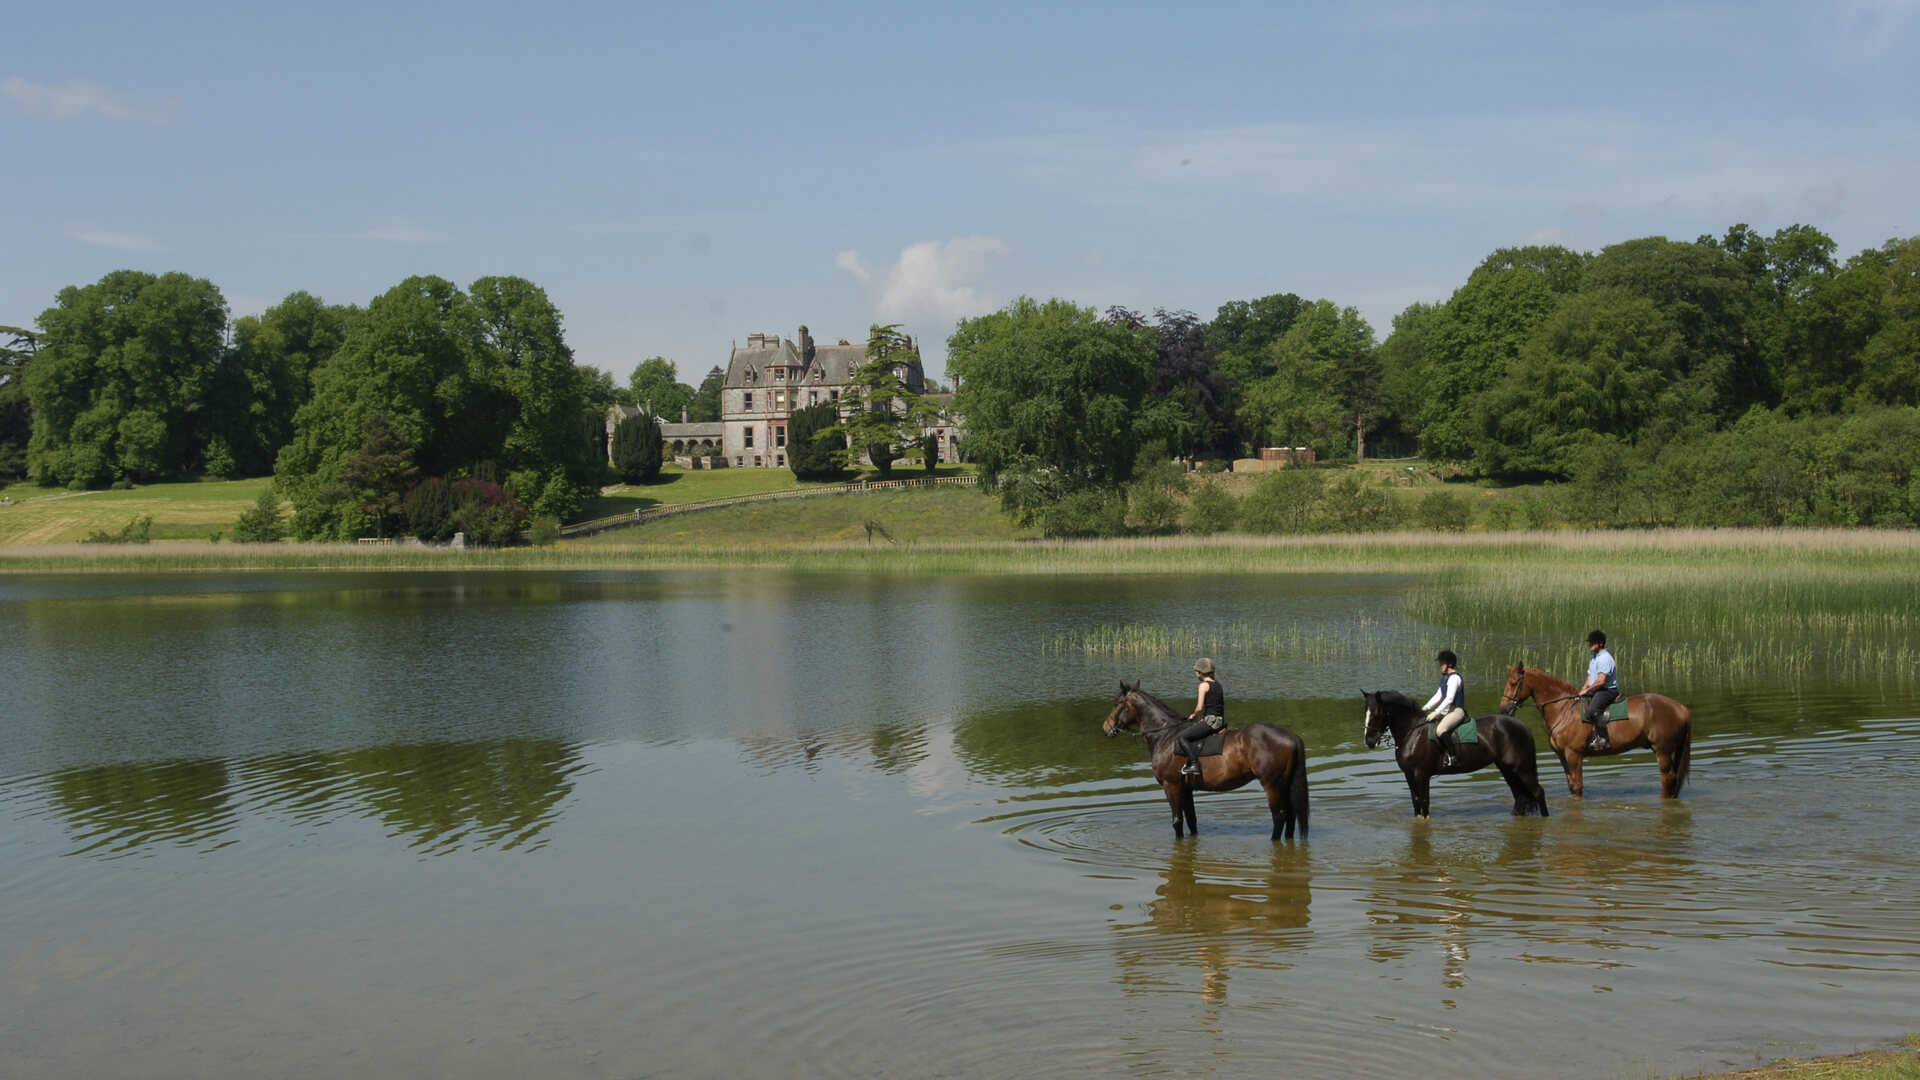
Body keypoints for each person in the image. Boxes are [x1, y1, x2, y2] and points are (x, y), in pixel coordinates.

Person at [1177, 658, 1226, 778]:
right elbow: (1216, 706)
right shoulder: (1218, 685)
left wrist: (1194, 715)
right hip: (1219, 721)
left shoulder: (1203, 686)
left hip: (1211, 722)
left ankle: (1194, 765)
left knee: (1181, 737)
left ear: (1200, 673)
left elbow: (1199, 707)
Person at [1423, 650, 1468, 767]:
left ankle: (1454, 757)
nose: (1440, 666)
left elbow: (1449, 699)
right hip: (1446, 710)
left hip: (1456, 711)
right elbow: (1439, 695)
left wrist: (1435, 712)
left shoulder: (1454, 678)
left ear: (1449, 664)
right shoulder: (1445, 678)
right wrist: (1426, 706)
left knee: (1440, 730)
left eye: (1442, 663)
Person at [1578, 629, 1620, 751]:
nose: (1590, 644)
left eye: (1593, 642)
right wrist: (1583, 689)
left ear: (1601, 644)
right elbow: (1590, 676)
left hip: (1607, 690)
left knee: (1593, 709)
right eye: (1590, 642)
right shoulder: (1594, 657)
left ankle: (1604, 738)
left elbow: (1601, 681)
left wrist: (1587, 690)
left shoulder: (1605, 658)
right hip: (1597, 689)